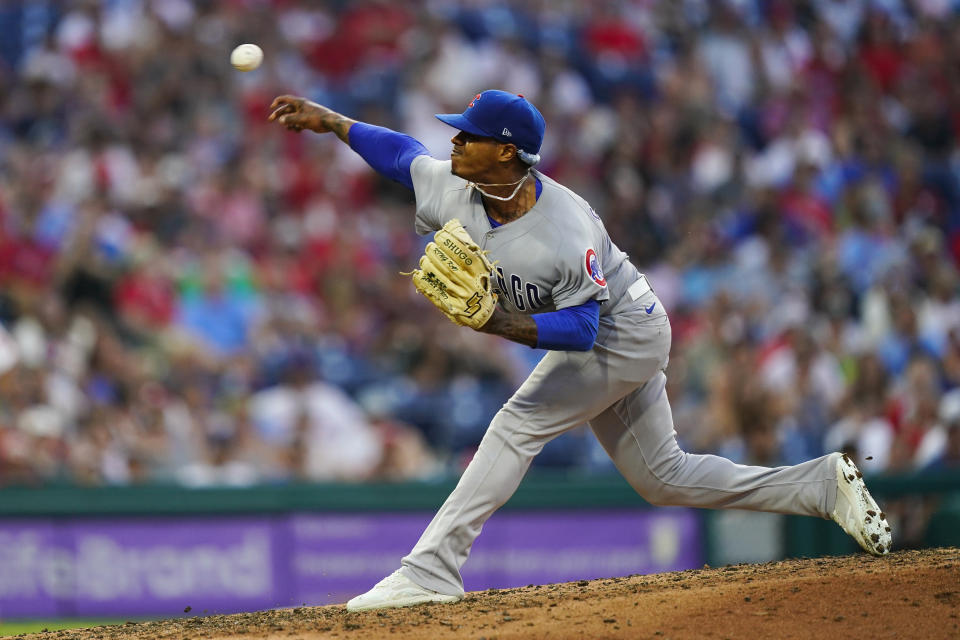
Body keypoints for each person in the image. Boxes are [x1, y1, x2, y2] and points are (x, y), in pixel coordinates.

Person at [267, 90, 892, 611]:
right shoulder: (456, 188)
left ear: (506, 151)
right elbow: (400, 153)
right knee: (662, 477)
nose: (453, 143)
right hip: (614, 334)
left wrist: (500, 322)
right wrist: (330, 121)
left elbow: (583, 332)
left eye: (468, 136)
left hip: (628, 332)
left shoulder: (564, 230)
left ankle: (432, 569)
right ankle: (821, 486)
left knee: (518, 423)